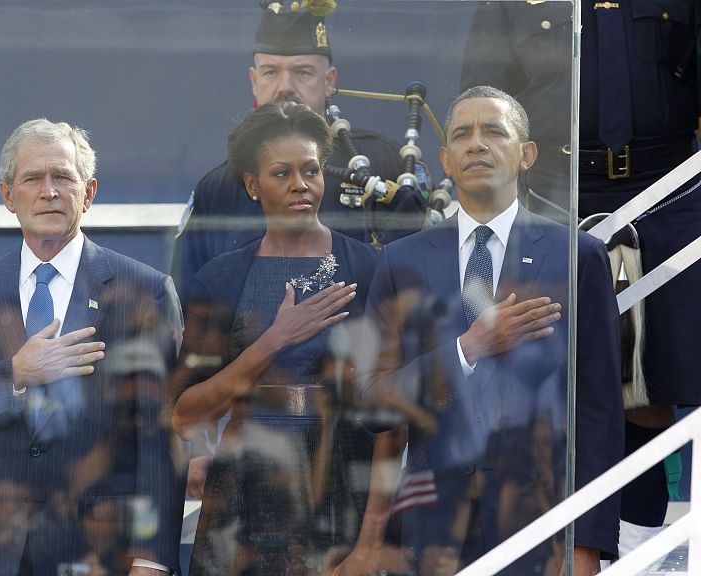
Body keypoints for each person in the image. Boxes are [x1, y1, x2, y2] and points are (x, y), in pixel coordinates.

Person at [460, 0, 701, 557]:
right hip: (553, 191)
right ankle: (556, 544)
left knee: (653, 382)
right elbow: (481, 98)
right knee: (556, 382)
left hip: (670, 191)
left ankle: (640, 540)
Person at [358, 86, 624, 575]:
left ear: (527, 155)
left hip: (542, 528)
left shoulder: (577, 256)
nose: (477, 144)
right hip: (431, 530)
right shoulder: (400, 261)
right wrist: (466, 348)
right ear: (445, 159)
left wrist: (586, 542)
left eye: (494, 132)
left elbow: (599, 409)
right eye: (462, 134)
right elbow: (373, 403)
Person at [0, 119, 185, 576]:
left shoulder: (146, 291)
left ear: (89, 193)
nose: (49, 192)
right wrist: (13, 376)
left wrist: (152, 558)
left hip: (102, 551)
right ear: (8, 196)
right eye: (32, 179)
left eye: (63, 176)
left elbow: (164, 438)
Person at [171, 102, 379, 575]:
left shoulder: (367, 270)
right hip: (243, 496)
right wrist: (274, 341)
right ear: (253, 185)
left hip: (342, 490)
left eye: (311, 170)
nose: (300, 184)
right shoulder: (221, 279)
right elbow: (184, 414)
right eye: (281, 173)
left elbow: (395, 421)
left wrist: (369, 545)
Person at [171, 0, 426, 307]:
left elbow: (419, 285)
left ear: (329, 81)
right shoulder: (220, 187)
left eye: (303, 72)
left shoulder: (381, 163)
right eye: (270, 72)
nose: (285, 87)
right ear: (254, 81)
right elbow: (189, 302)